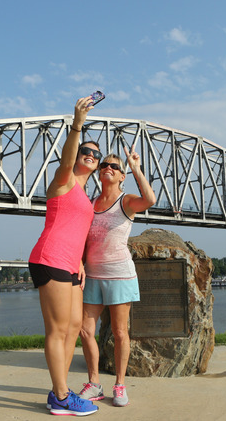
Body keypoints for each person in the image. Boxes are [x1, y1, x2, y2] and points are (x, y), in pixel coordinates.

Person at [28, 96, 101, 416]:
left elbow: (78, 230)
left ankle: (61, 391)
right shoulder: (64, 181)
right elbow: (66, 160)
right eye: (87, 150)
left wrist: (82, 261)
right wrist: (77, 125)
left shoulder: (86, 195)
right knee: (58, 331)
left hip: (71, 265)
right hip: (50, 258)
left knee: (73, 329)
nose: (91, 155)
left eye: (96, 154)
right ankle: (60, 396)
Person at [78, 144, 157, 407]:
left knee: (121, 332)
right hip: (93, 275)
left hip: (120, 275)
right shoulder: (90, 204)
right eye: (104, 166)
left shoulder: (126, 201)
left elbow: (150, 200)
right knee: (85, 330)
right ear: (98, 173)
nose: (108, 168)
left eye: (114, 166)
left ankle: (120, 385)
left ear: (122, 175)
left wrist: (135, 167)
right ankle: (94, 383)